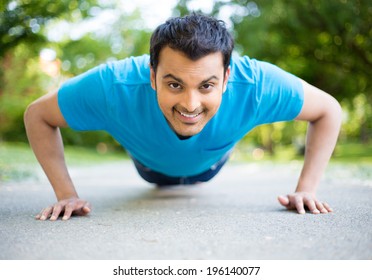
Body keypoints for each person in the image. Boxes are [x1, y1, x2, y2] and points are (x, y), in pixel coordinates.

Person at [24, 14, 342, 221]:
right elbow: (37, 114)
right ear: (152, 76)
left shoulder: (256, 84)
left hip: (210, 166)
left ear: (227, 77)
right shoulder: (113, 84)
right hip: (149, 168)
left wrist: (307, 189)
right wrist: (66, 194)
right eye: (174, 84)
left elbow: (328, 110)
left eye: (206, 85)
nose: (190, 104)